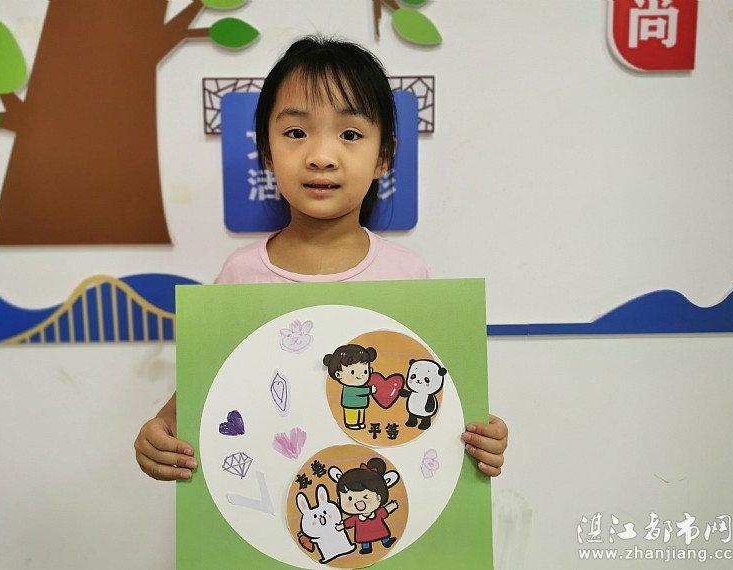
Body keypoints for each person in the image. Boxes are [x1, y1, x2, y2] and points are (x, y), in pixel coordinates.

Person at [134, 35, 508, 482]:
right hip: (277, 495)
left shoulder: (409, 275)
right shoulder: (239, 275)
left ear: (383, 157)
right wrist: (161, 429)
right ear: (267, 153)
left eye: (350, 134)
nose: (321, 157)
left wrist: (483, 437)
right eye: (296, 133)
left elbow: (436, 396)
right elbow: (206, 390)